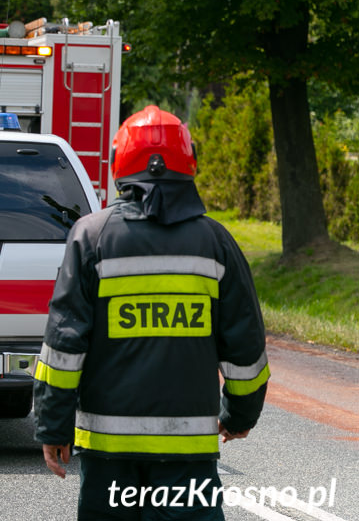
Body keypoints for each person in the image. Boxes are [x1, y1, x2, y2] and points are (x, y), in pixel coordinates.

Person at [33, 105, 269, 520]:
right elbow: (245, 347)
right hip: (188, 455)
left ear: (119, 162)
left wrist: (54, 427)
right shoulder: (216, 243)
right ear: (188, 162)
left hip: (109, 454)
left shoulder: (92, 237)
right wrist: (239, 416)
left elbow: (64, 348)